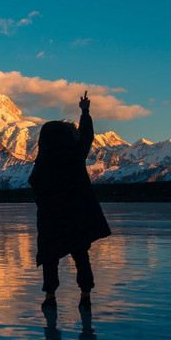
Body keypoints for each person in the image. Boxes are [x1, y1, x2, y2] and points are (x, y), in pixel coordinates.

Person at [28, 91, 111, 310]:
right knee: (81, 255)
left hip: (50, 219)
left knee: (50, 258)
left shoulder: (42, 162)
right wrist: (85, 112)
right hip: (75, 217)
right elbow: (87, 136)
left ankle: (50, 297)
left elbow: (35, 185)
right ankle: (85, 295)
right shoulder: (74, 157)